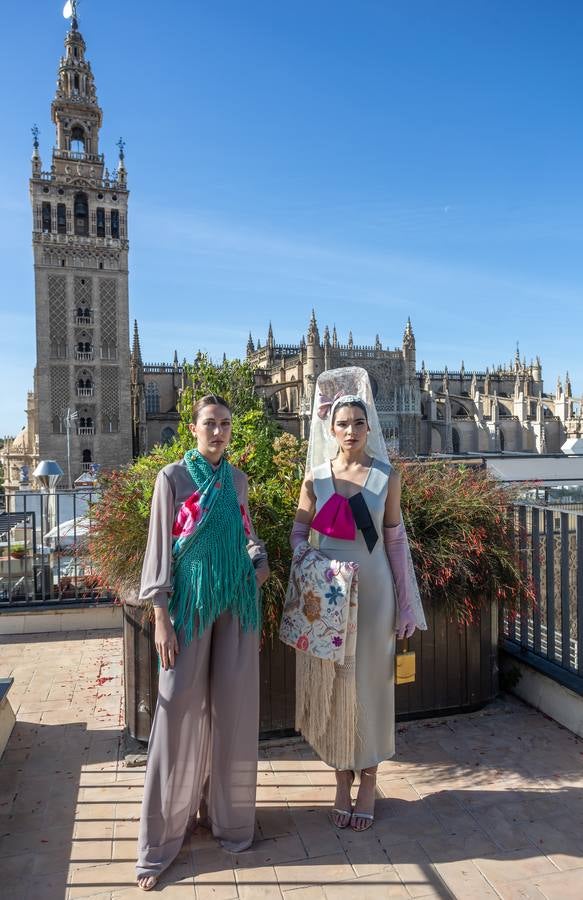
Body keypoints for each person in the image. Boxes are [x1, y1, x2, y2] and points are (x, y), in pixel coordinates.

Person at [135, 394, 269, 891]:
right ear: (192, 429)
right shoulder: (171, 479)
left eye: (225, 425)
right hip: (188, 609)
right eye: (210, 424)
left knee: (233, 712)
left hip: (236, 603)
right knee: (175, 712)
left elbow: (247, 534)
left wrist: (259, 560)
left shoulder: (238, 481)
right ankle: (160, 841)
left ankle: (229, 821)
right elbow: (159, 551)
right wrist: (161, 617)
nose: (218, 432)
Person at [290, 367, 426, 831]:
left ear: (370, 429)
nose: (350, 431)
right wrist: (310, 565)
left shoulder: (386, 476)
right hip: (329, 598)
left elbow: (394, 542)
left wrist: (407, 604)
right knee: (334, 687)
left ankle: (368, 778)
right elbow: (298, 532)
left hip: (374, 594)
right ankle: (341, 778)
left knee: (370, 685)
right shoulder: (314, 478)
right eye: (342, 424)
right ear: (330, 429)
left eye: (358, 424)